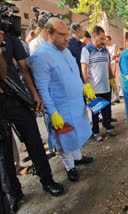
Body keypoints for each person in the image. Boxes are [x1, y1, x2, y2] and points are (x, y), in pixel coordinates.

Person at [0, 28, 64, 213]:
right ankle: (14, 193)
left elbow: (24, 69)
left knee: (34, 141)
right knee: (5, 154)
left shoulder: (11, 39)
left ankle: (47, 180)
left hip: (17, 98)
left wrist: (34, 94)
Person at [30, 18, 94, 182]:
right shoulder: (40, 56)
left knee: (77, 133)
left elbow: (74, 74)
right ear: (49, 33)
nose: (66, 38)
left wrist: (83, 86)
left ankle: (78, 158)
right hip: (60, 107)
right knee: (65, 138)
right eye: (61, 35)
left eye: (67, 34)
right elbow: (43, 89)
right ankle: (69, 167)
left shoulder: (65, 51)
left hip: (75, 103)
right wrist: (52, 113)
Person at [81, 26, 116, 142]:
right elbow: (84, 68)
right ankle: (96, 132)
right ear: (94, 36)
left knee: (107, 110)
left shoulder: (105, 51)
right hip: (94, 89)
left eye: (104, 39)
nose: (104, 41)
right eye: (101, 39)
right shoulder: (87, 50)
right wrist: (87, 85)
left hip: (106, 86)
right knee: (95, 112)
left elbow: (108, 66)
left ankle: (108, 128)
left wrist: (112, 79)